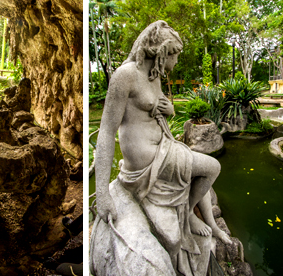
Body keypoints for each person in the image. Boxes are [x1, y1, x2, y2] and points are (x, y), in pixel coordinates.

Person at [91, 20, 229, 276]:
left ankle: (188, 212)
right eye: (174, 56)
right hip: (147, 163)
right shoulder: (125, 76)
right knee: (213, 166)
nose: (175, 62)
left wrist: (171, 110)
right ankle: (189, 214)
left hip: (165, 151)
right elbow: (107, 132)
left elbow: (158, 113)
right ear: (162, 53)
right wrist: (101, 192)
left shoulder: (153, 77)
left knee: (210, 168)